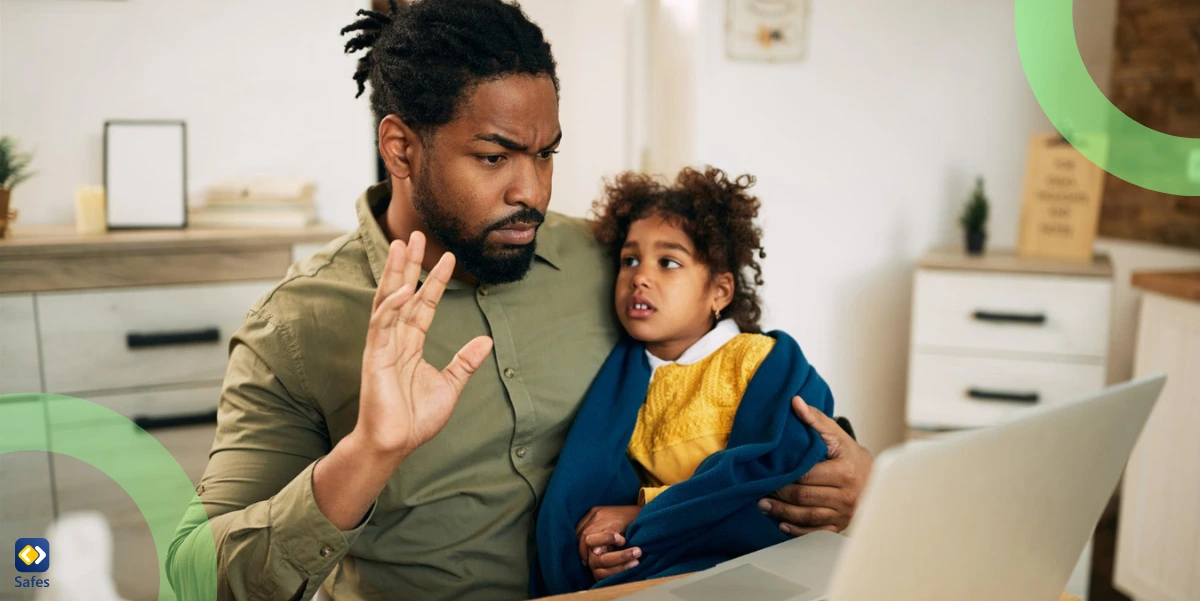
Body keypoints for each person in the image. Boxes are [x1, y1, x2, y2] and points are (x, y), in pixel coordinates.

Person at [166, 2, 873, 600]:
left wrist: (854, 477)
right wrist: (368, 452)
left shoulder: (608, 263)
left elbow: (735, 381)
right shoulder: (294, 328)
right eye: (495, 156)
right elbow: (199, 576)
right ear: (401, 148)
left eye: (546, 154)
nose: (531, 190)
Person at [532, 167, 837, 595]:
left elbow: (770, 478)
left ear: (720, 291)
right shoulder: (623, 380)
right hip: (664, 572)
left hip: (754, 565)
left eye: (668, 262)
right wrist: (611, 548)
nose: (641, 276)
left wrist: (642, 514)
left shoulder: (757, 360)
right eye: (629, 260)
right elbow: (597, 489)